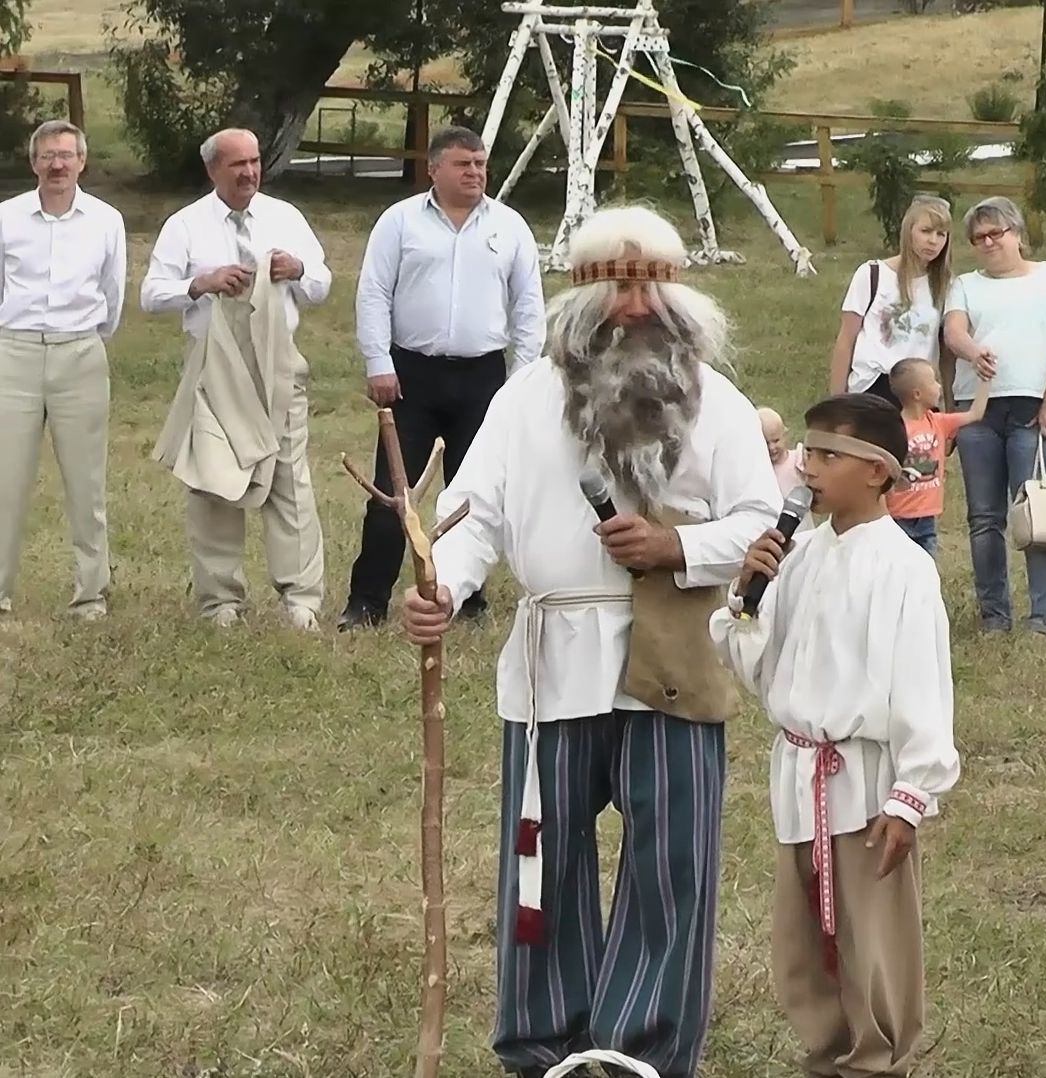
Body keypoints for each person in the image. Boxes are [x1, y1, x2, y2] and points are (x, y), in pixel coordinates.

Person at [399, 203, 779, 1078]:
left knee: (672, 863)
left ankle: (636, 1052)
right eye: (616, 280)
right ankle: (546, 1048)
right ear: (579, 288)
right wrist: (443, 589)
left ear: (680, 292)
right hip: (551, 663)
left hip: (675, 661)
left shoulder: (712, 401)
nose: (635, 301)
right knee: (542, 862)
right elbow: (472, 514)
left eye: (652, 281)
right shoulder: (524, 397)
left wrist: (675, 546)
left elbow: (763, 521)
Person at [709, 392, 961, 1078]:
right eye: (806, 452)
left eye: (827, 455)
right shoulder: (799, 556)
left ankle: (875, 1060)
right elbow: (761, 665)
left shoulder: (904, 568)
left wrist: (912, 792)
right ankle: (826, 1054)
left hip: (864, 786)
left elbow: (922, 683)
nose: (808, 467)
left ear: (878, 471)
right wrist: (744, 600)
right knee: (802, 943)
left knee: (870, 942)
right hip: (799, 777)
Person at [338, 125, 545, 631]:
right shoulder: (400, 222)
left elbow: (529, 309)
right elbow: (373, 294)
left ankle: (466, 597)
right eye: (463, 164)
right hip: (411, 375)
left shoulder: (510, 227)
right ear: (433, 169)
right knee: (393, 492)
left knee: (474, 494)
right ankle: (367, 602)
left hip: (484, 377)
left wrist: (521, 381)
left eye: (480, 164)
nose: (475, 173)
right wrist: (378, 362)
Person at [142, 127, 331, 630]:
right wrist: (199, 284)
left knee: (289, 478)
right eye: (237, 165)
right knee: (212, 481)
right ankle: (220, 601)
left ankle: (301, 600)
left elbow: (322, 283)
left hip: (278, 366)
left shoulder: (285, 217)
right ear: (212, 170)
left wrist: (297, 271)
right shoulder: (185, 225)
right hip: (214, 369)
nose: (249, 172)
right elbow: (151, 295)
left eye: (254, 162)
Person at [941, 197, 1046, 633]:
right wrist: (973, 352)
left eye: (995, 234)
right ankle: (994, 614)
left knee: (1037, 514)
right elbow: (954, 331)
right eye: (978, 238)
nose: (987, 243)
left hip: (1033, 409)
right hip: (978, 410)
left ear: (1017, 234)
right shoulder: (965, 284)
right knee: (984, 518)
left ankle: (1043, 615)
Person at [0, 120, 125, 621]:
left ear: (82, 162)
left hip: (80, 353)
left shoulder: (106, 220)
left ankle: (90, 595)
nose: (57, 164)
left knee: (86, 482)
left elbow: (112, 295)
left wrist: (83, 340)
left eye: (66, 155)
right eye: (48, 155)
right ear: (34, 163)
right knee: (6, 480)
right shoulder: (7, 217)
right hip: (15, 354)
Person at [829, 195, 951, 404]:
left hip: (919, 392)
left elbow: (947, 354)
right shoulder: (872, 274)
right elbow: (845, 340)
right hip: (873, 384)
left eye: (941, 234)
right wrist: (835, 406)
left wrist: (949, 406)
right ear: (908, 231)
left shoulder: (946, 286)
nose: (933, 241)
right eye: (926, 231)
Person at [887, 357, 990, 556]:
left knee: (926, 574)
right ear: (917, 394)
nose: (939, 386)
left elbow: (975, 414)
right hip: (897, 519)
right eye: (934, 381)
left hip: (927, 519)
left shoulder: (939, 422)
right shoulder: (894, 430)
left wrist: (986, 380)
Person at [760, 405, 806, 496]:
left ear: (785, 436)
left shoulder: (797, 460)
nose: (771, 447)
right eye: (766, 443)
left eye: (776, 440)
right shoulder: (760, 468)